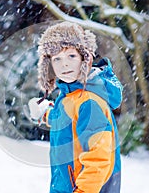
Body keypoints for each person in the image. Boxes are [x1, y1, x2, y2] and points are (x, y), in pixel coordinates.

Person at [28, 21, 123, 193]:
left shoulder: (88, 101)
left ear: (84, 59)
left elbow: (98, 158)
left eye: (71, 56)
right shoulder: (70, 96)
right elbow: (67, 121)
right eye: (57, 59)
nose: (64, 64)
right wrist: (45, 113)